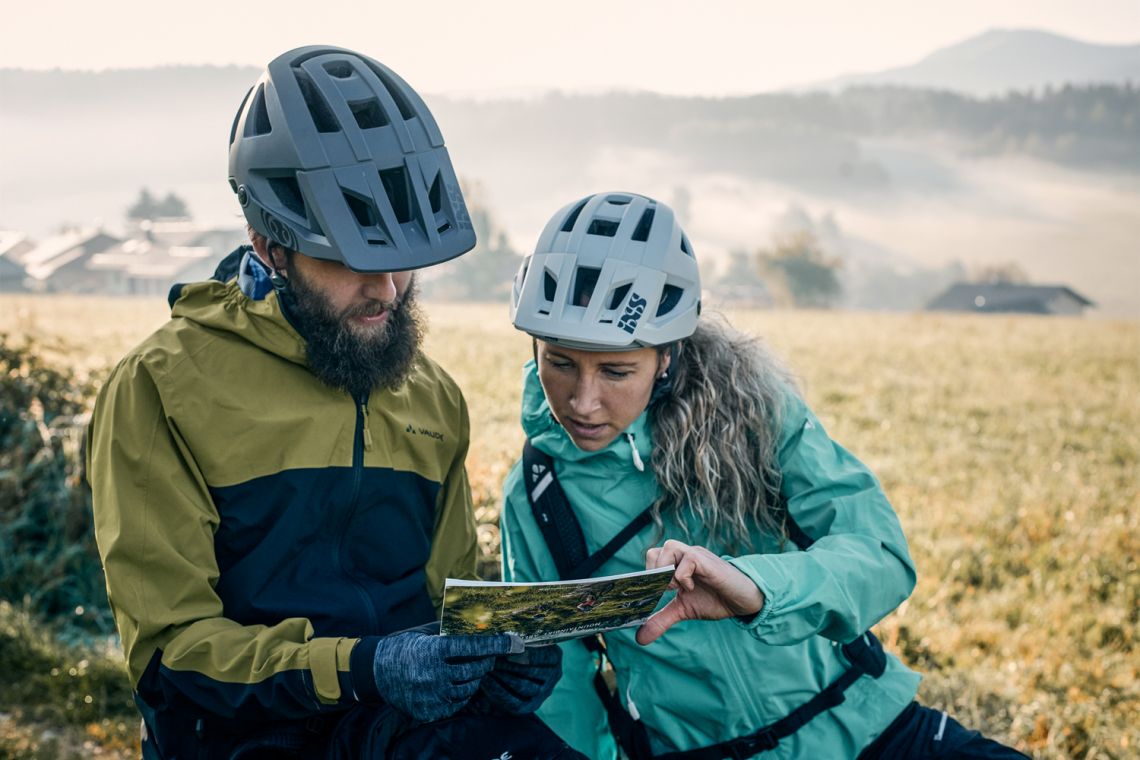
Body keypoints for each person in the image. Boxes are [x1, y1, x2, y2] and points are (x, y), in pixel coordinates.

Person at [86, 46, 569, 759]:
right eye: (351, 259)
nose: (387, 291)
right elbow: (172, 653)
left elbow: (448, 606)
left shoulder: (432, 395)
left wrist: (497, 664)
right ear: (268, 243)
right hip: (243, 734)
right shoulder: (161, 388)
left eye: (402, 257)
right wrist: (360, 667)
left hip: (403, 729)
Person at [500, 191, 1031, 759]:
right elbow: (559, 694)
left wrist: (758, 590)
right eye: (559, 362)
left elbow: (881, 556)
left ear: (667, 357)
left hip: (869, 727)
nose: (583, 401)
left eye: (616, 370)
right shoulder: (537, 497)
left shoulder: (754, 411)